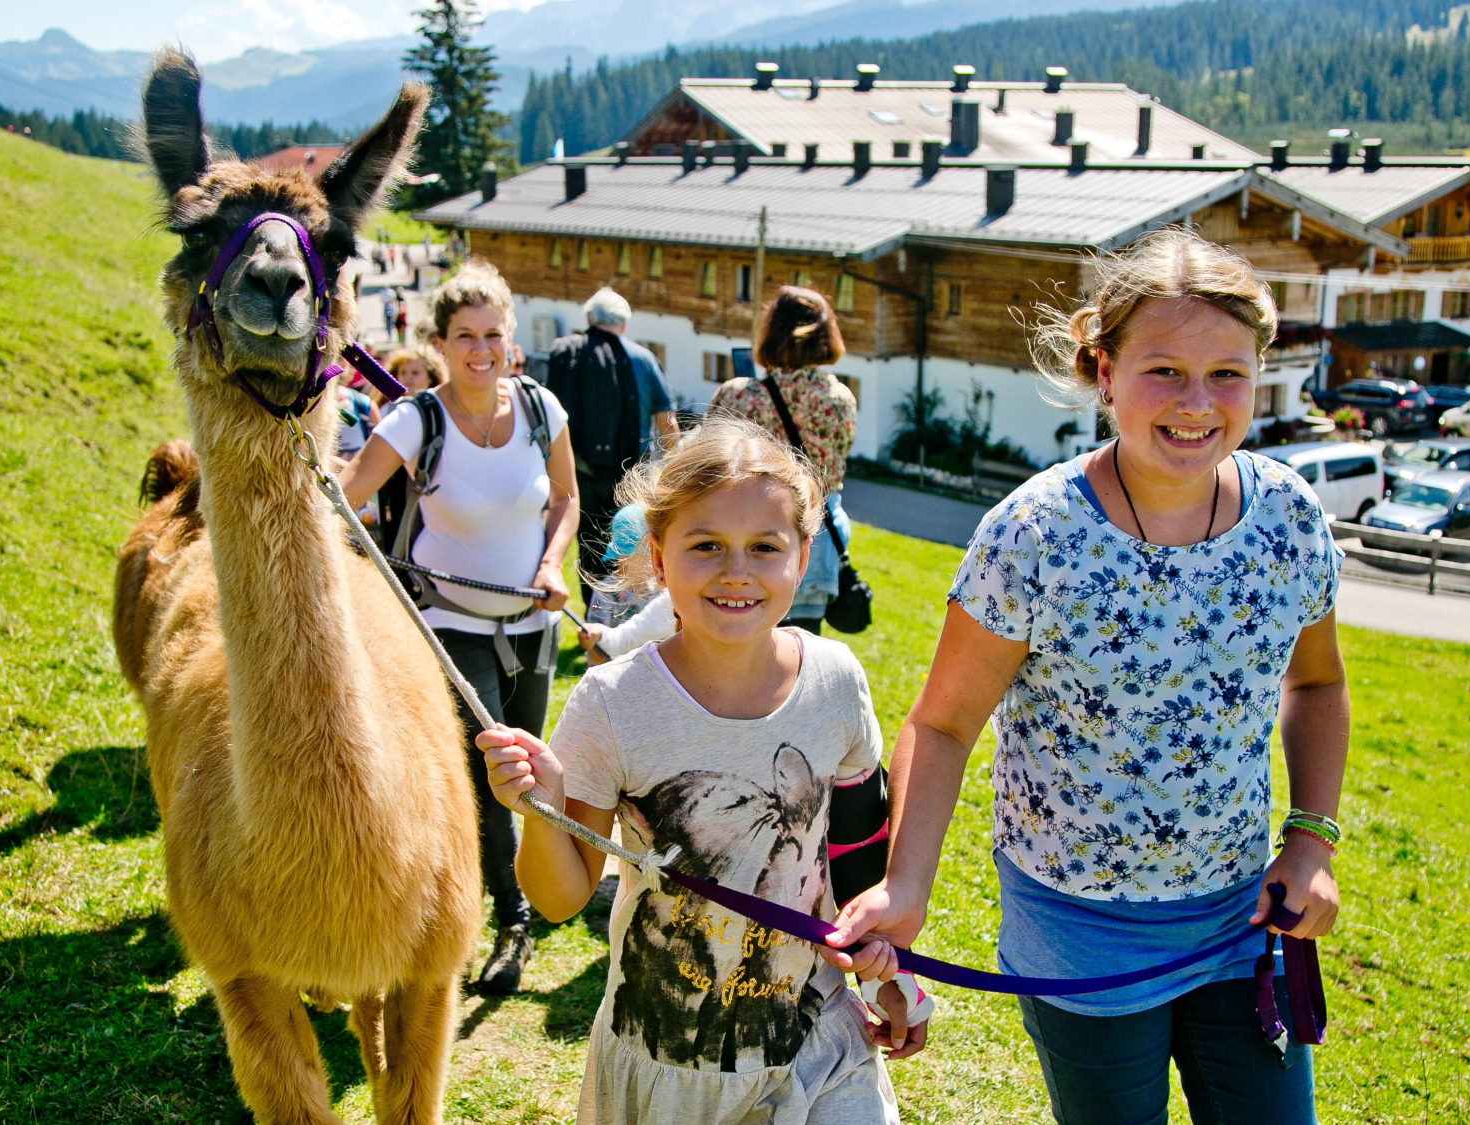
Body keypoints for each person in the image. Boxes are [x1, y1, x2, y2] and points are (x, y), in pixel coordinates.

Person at [825, 230, 1348, 1125]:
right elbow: (944, 724)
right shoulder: (1033, 535)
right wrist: (906, 885)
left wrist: (1310, 841)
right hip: (1078, 938)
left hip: (1242, 918)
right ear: (1105, 371)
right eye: (1163, 370)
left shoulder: (1290, 519)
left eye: (1227, 373)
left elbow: (1319, 685)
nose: (1197, 402)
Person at [475, 418, 926, 1125]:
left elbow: (858, 851)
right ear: (659, 560)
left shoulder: (835, 678)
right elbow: (560, 898)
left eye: (764, 547)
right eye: (706, 545)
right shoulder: (612, 703)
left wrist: (892, 974)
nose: (736, 571)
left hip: (818, 1042)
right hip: (672, 1061)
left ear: (802, 559)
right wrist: (541, 807)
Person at [338, 261, 580, 994]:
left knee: (528, 771)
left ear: (510, 338)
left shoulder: (541, 408)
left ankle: (498, 897)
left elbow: (565, 498)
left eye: (493, 334)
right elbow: (343, 495)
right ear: (439, 342)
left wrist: (552, 563)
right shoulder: (418, 420)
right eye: (465, 336)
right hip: (449, 625)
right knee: (492, 772)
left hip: (532, 624)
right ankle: (511, 923)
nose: (481, 350)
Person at [711, 287, 857, 633]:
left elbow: (710, 467)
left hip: (743, 544)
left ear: (770, 331)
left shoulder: (738, 395)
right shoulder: (840, 398)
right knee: (801, 647)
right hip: (814, 538)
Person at [545, 287, 680, 604]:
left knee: (589, 546)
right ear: (624, 324)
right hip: (630, 476)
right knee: (631, 547)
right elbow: (667, 421)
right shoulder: (643, 359)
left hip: (580, 472)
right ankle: (628, 615)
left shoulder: (572, 354)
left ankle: (593, 612)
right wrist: (676, 472)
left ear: (589, 320)